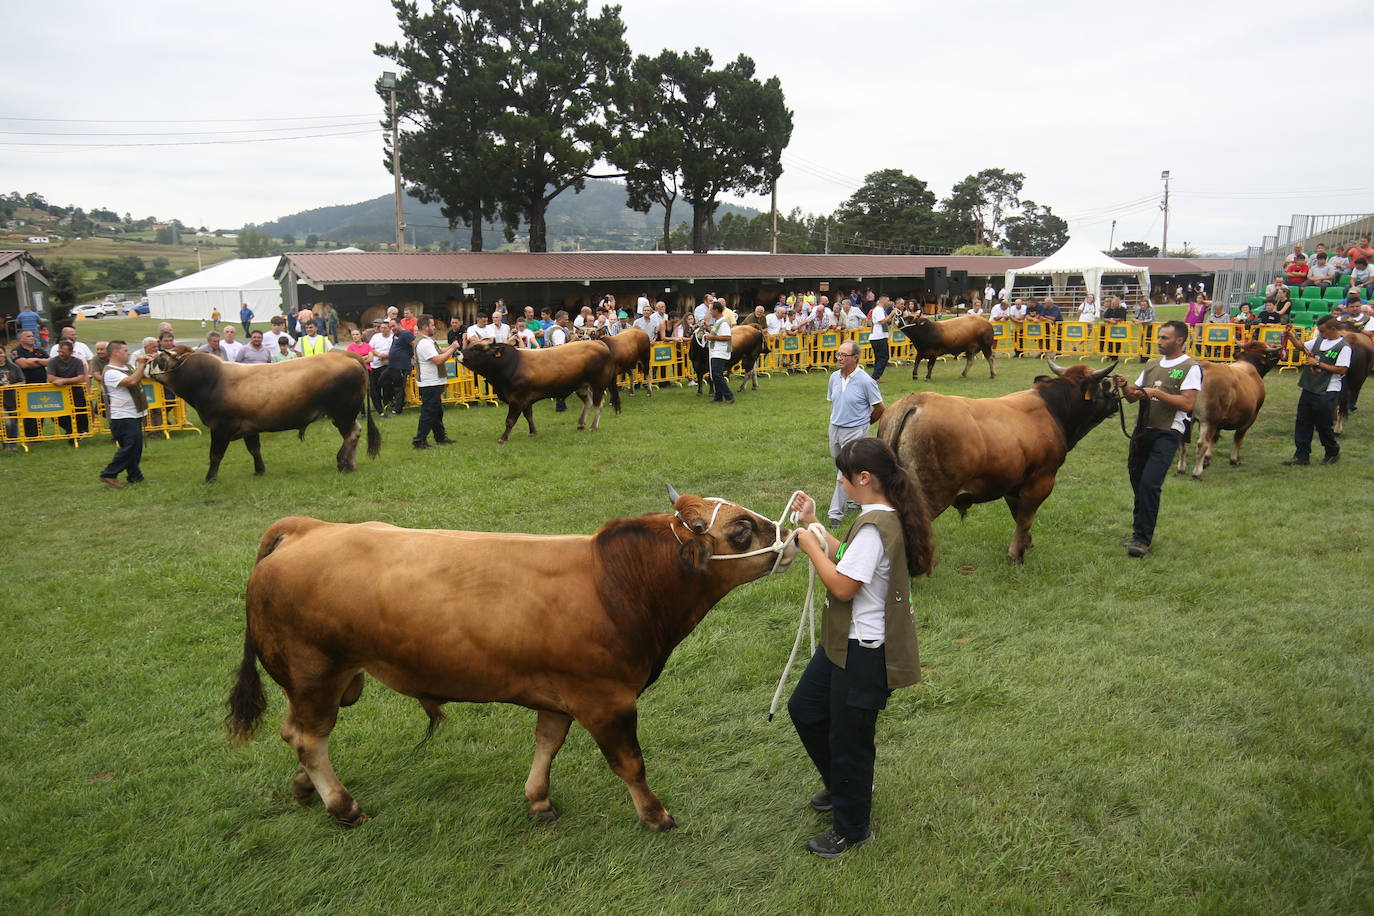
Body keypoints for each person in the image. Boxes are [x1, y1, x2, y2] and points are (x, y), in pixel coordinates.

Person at [786, 436, 935, 858]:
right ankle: (841, 785)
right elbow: (849, 554)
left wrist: (810, 548)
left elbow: (843, 585)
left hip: (863, 653)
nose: (840, 480)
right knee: (807, 708)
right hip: (842, 645)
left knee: (851, 741)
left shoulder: (877, 525)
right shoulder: (875, 517)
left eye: (844, 475)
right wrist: (815, 523)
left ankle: (851, 828)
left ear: (864, 478)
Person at [1112, 321, 1201, 558]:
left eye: (1164, 338)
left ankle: (1142, 539)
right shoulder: (1151, 365)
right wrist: (1125, 387)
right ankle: (1138, 531)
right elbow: (1133, 397)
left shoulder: (1190, 366)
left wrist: (1157, 393)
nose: (1159, 341)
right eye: (1159, 337)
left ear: (1179, 340)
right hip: (1143, 431)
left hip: (1167, 432)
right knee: (1138, 481)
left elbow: (1188, 403)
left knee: (1150, 484)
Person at [823, 339, 885, 525]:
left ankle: (835, 515)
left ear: (855, 358)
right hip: (835, 428)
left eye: (844, 355)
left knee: (844, 470)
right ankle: (853, 500)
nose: (839, 358)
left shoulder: (866, 381)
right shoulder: (834, 377)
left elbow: (880, 408)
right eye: (838, 354)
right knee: (841, 467)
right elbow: (834, 402)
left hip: (855, 431)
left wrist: (864, 425)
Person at [1284, 315, 1351, 466]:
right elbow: (1302, 347)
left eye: (1322, 331)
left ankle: (1332, 451)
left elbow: (1341, 369)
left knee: (1323, 424)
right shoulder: (1320, 340)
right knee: (1302, 422)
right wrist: (1291, 337)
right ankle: (1301, 456)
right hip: (1309, 387)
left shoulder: (1344, 347)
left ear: (1333, 329)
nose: (1320, 334)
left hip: (1327, 390)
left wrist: (1318, 363)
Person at [98, 340, 149, 488]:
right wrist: (140, 365)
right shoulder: (110, 372)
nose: (128, 353)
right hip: (122, 416)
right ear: (115, 353)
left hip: (133, 413)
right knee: (129, 447)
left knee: (135, 447)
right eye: (125, 350)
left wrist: (145, 364)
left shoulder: (126, 367)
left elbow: (139, 377)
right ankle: (109, 473)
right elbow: (131, 381)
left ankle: (135, 476)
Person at [411, 314, 460, 449]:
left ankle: (440, 437)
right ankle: (419, 440)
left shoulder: (426, 340)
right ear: (425, 327)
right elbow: (438, 360)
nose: (435, 328)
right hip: (430, 383)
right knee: (428, 412)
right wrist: (452, 349)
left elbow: (439, 352)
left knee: (437, 411)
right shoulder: (424, 342)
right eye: (432, 325)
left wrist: (451, 347)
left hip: (432, 382)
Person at [46, 338, 90, 439]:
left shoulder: (78, 361)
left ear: (71, 352)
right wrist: (69, 380)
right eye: (59, 351)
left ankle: (81, 431)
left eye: (63, 352)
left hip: (76, 390)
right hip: (58, 392)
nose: (61, 354)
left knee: (80, 411)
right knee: (56, 415)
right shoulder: (53, 361)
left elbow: (80, 377)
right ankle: (71, 430)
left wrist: (64, 381)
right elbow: (51, 377)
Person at [704, 301, 734, 405]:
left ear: (716, 310)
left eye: (711, 310)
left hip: (720, 351)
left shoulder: (724, 322)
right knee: (715, 375)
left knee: (717, 375)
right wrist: (708, 328)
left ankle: (729, 396)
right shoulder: (718, 321)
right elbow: (717, 332)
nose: (710, 312)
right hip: (715, 351)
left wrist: (712, 337)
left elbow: (727, 337)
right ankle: (718, 397)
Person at [386, 317, 414, 416]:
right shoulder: (395, 335)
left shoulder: (406, 334)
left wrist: (411, 357)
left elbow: (414, 345)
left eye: (393, 326)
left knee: (399, 387)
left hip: (401, 366)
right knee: (382, 381)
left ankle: (398, 410)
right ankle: (393, 402)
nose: (392, 328)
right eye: (390, 327)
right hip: (393, 365)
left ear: (399, 324)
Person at [368, 319, 394, 413]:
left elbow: (395, 349)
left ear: (389, 329)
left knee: (386, 384)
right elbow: (370, 347)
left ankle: (387, 401)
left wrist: (386, 355)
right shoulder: (376, 337)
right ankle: (377, 405)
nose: (382, 329)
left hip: (387, 364)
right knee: (375, 386)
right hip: (375, 364)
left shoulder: (392, 338)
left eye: (385, 328)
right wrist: (378, 354)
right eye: (381, 328)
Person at [0, 347, 23, 449]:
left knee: (13, 422)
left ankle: (12, 445)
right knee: (6, 422)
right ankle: (6, 444)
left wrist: (9, 386)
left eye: (0, 353)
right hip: (1, 401)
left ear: (4, 354)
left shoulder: (14, 367)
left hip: (13, 399)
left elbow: (22, 381)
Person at [868, 297, 891, 381]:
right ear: (883, 301)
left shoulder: (880, 310)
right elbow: (882, 321)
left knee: (879, 358)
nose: (889, 302)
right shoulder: (878, 310)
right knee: (884, 357)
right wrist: (892, 314)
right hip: (879, 337)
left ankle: (876, 377)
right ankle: (875, 377)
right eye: (888, 300)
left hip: (879, 336)